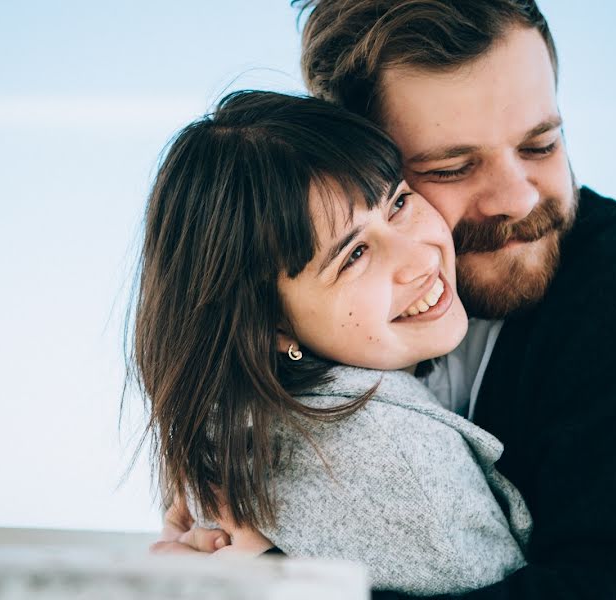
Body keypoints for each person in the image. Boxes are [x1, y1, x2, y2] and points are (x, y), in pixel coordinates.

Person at [155, 1, 616, 599]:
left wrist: (285, 585)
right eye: (452, 167)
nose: (517, 199)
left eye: (542, 145)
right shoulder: (305, 371)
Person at [134, 90, 534, 594]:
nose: (418, 258)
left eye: (400, 202)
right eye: (354, 255)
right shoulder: (391, 454)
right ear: (273, 326)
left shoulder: (237, 437)